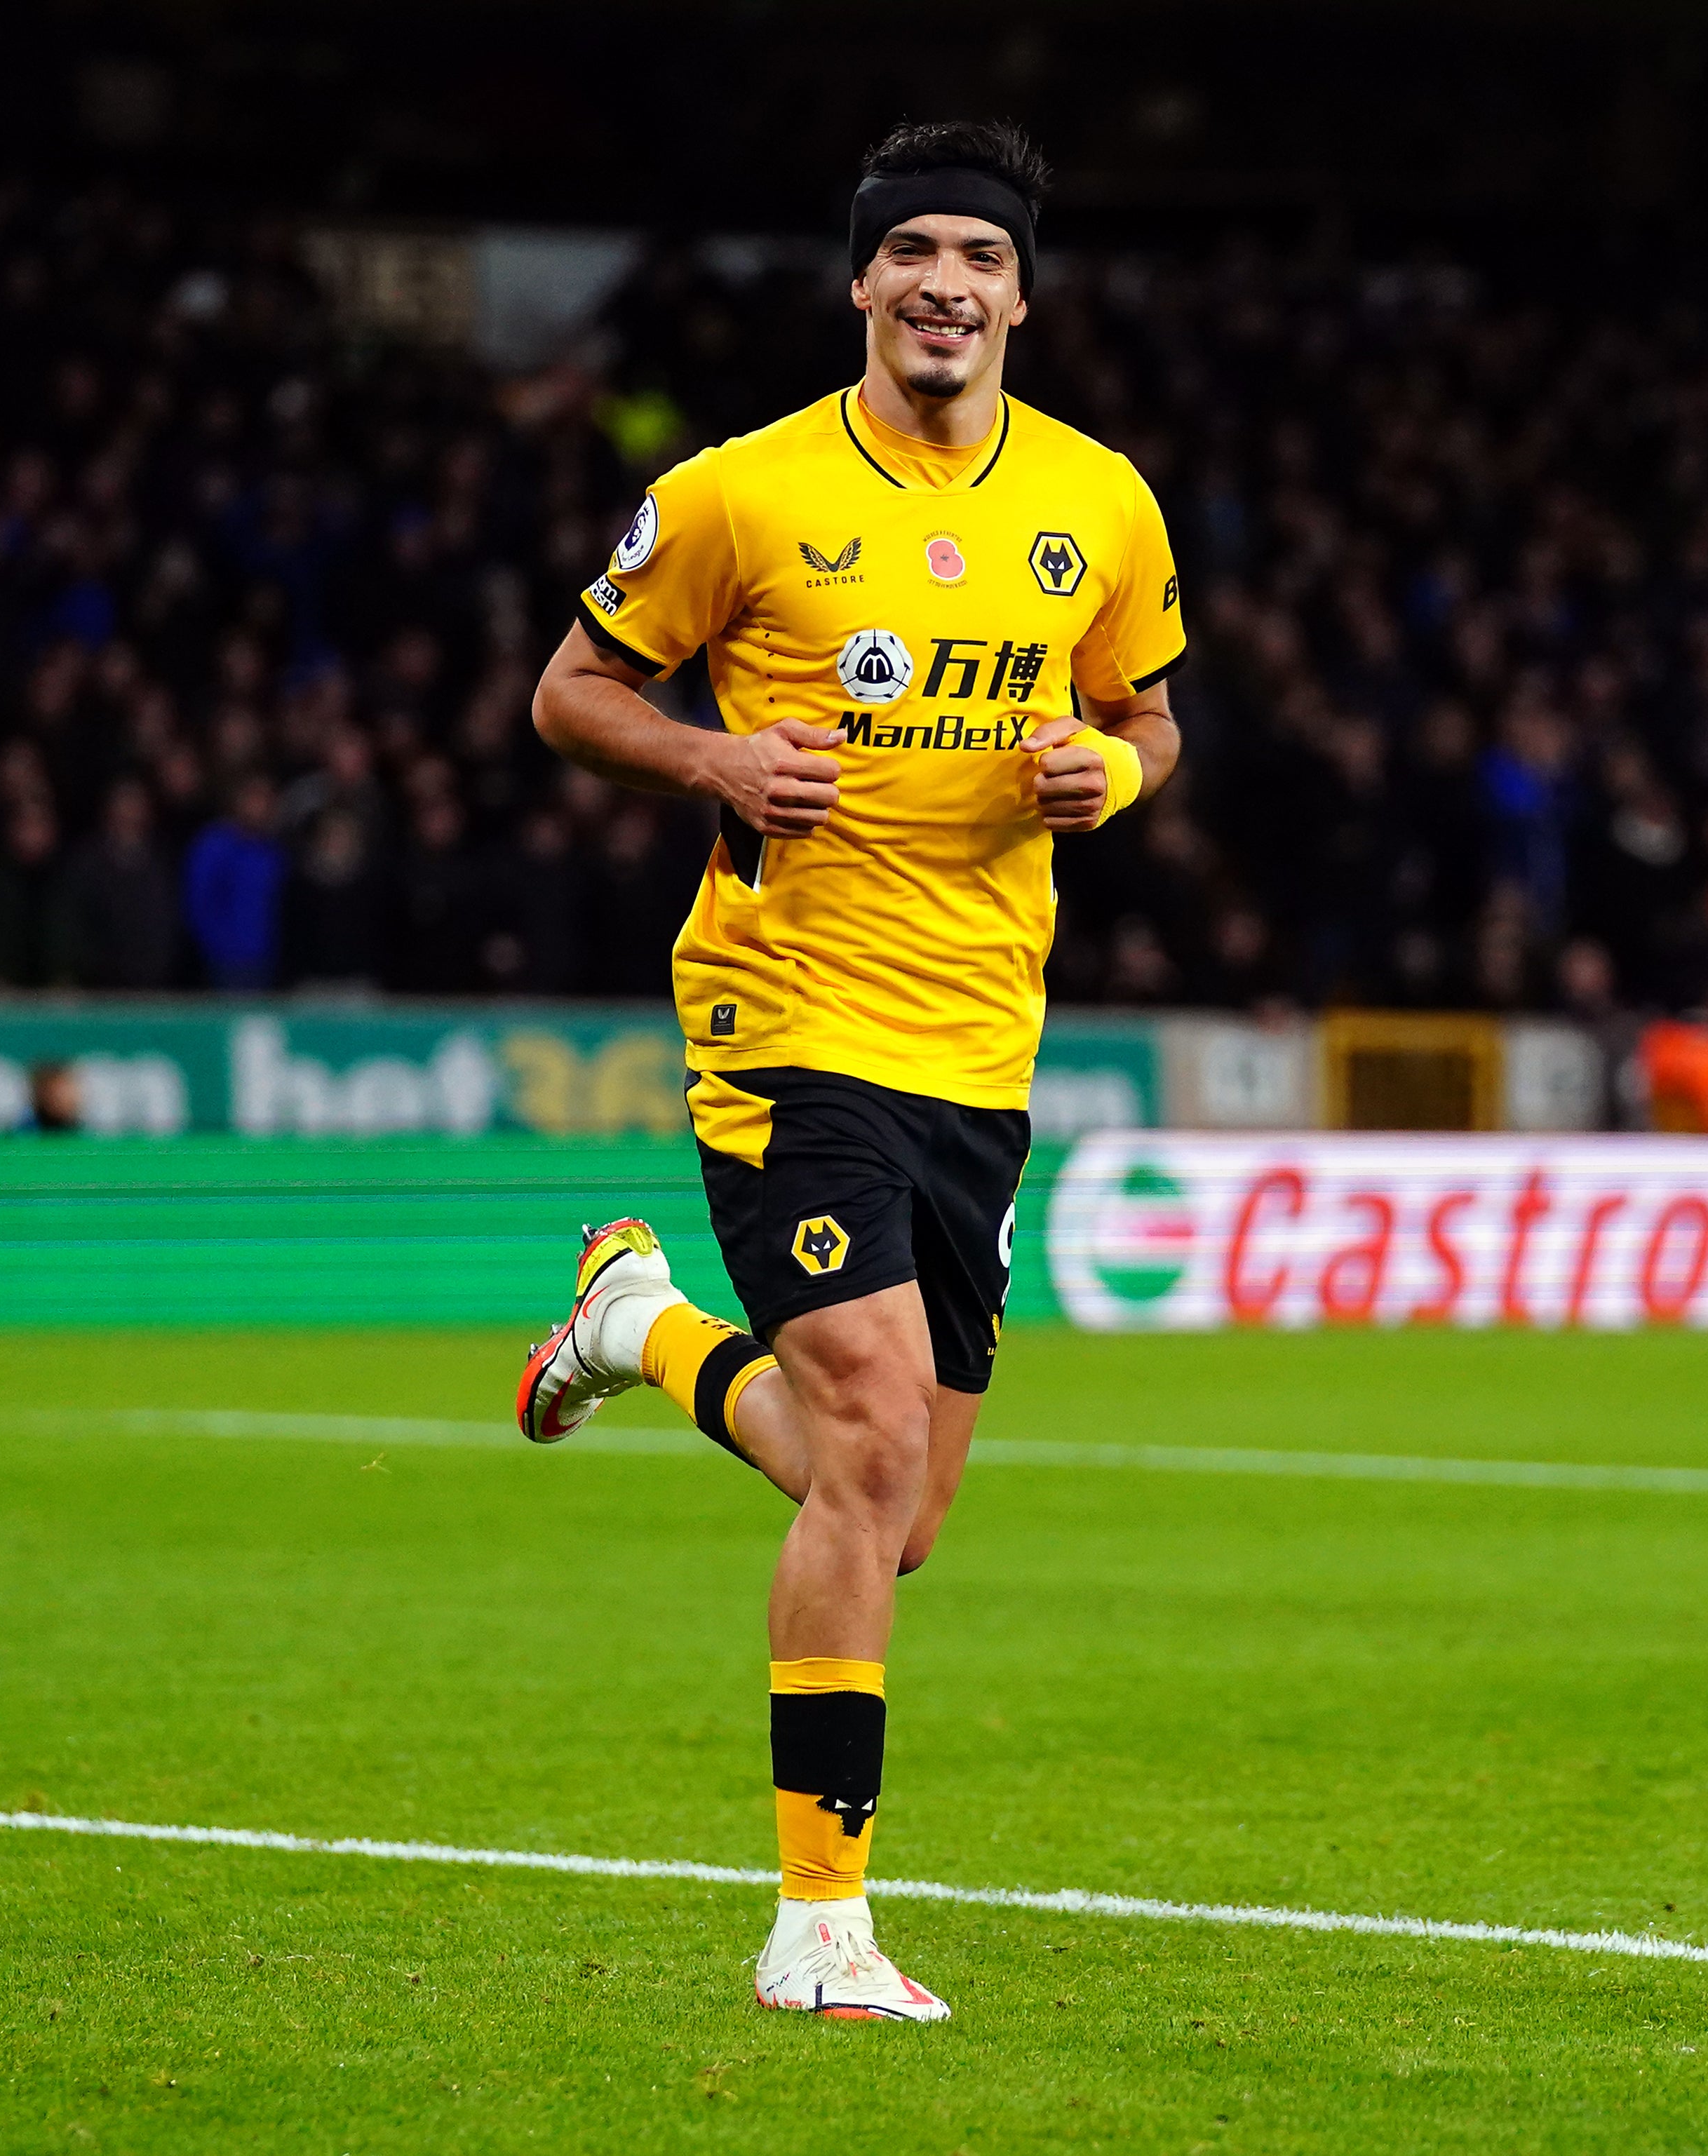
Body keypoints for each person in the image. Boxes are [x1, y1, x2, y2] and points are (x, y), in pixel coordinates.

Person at [513, 119, 1184, 2022]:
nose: (946, 284)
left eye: (979, 256)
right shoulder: (737, 495)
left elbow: (1151, 712)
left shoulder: (1100, 504)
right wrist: (711, 760)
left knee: (895, 1512)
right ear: (862, 286)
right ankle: (816, 1924)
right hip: (783, 1015)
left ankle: (641, 1326)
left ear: (1021, 297)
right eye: (914, 256)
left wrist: (1116, 772)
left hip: (982, 1032)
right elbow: (569, 692)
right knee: (874, 1438)